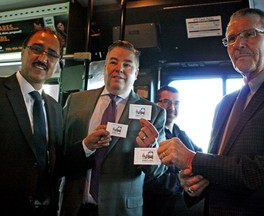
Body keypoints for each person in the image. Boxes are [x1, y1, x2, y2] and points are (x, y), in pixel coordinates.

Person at [153, 8, 264, 215]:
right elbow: (217, 162)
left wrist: (191, 159)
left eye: (249, 34)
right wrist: (193, 182)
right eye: (231, 38)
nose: (238, 44)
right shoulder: (225, 104)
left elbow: (258, 171)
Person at [60, 40, 167, 216]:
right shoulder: (75, 101)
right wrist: (85, 147)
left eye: (127, 64)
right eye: (113, 62)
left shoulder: (153, 113)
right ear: (105, 67)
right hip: (75, 207)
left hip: (121, 209)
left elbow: (157, 172)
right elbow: (60, 153)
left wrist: (149, 149)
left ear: (136, 72)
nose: (119, 68)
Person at [0, 27, 65, 216]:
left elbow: (56, 162)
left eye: (51, 54)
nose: (43, 58)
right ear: (22, 52)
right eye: (37, 49)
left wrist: (87, 146)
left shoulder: (56, 109)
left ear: (57, 63)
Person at [143, 86, 202, 216]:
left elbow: (199, 155)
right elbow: (150, 179)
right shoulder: (149, 135)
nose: (172, 107)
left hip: (181, 200)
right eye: (166, 101)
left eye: (176, 103)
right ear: (155, 104)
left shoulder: (180, 133)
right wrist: (182, 182)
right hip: (158, 205)